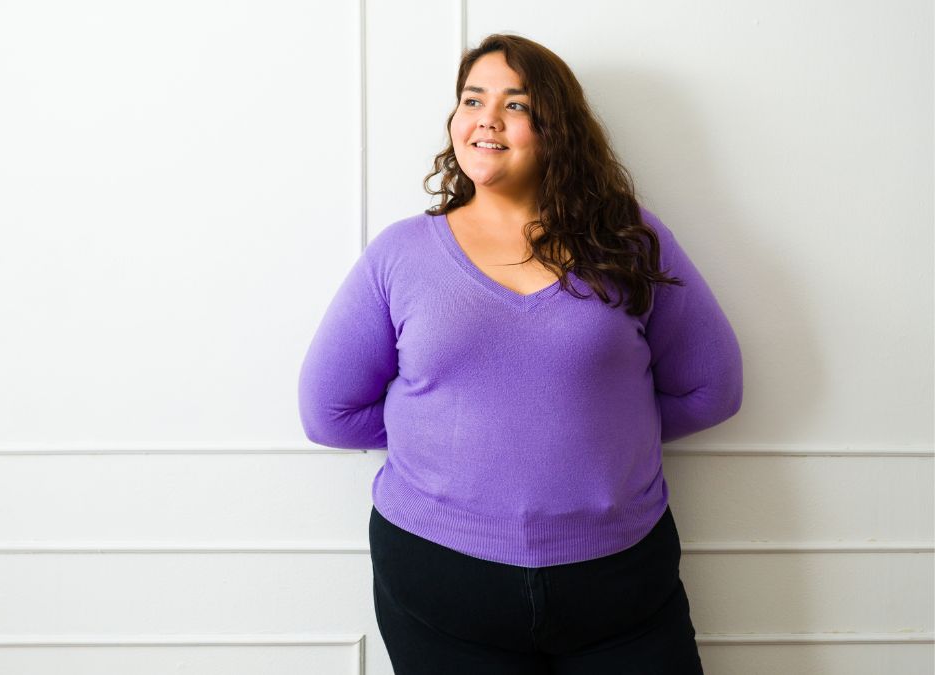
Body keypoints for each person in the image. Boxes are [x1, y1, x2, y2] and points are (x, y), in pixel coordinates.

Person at [297, 32, 742, 674]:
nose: (486, 118)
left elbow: (712, 389)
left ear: (557, 127)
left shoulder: (630, 240)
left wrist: (599, 435)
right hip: (439, 576)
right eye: (473, 99)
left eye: (517, 104)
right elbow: (329, 414)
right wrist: (454, 438)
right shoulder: (401, 254)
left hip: (619, 581)